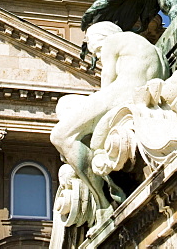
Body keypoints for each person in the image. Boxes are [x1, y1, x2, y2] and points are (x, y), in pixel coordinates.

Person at [49, 22, 168, 210]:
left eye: (92, 47)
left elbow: (107, 81)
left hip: (121, 93)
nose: (94, 54)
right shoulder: (150, 48)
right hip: (137, 94)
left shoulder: (112, 42)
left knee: (60, 134)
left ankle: (102, 201)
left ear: (97, 37)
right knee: (69, 106)